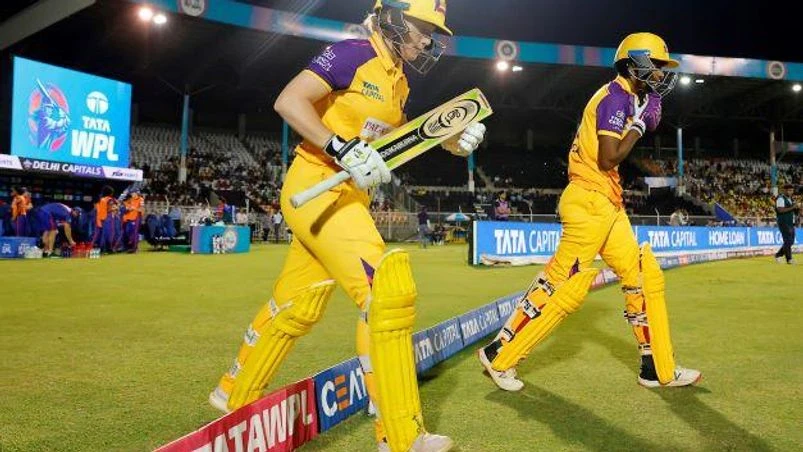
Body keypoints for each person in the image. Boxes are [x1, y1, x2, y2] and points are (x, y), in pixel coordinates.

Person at [209, 1, 486, 450]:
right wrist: (338, 146)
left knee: (299, 304)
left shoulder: (398, 81)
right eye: (421, 29)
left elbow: (387, 147)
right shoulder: (353, 54)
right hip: (317, 184)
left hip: (349, 195)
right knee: (386, 295)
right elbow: (289, 100)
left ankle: (233, 394)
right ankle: (398, 436)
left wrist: (449, 138)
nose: (427, 41)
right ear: (393, 18)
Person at [478, 32, 700, 392]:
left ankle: (654, 366)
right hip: (589, 201)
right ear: (634, 63)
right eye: (656, 66)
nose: (660, 75)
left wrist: (638, 119)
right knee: (560, 282)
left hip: (606, 203)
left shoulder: (626, 98)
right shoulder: (614, 98)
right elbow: (608, 157)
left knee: (638, 277)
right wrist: (639, 126)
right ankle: (500, 351)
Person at [774, 184, 798, 264]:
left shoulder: (790, 199)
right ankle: (789, 259)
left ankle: (778, 255)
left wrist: (796, 208)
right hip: (783, 222)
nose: (791, 192)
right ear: (784, 190)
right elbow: (780, 210)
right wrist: (793, 207)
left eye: (792, 190)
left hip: (790, 222)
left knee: (790, 241)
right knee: (788, 240)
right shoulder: (780, 199)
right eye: (789, 190)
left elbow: (793, 211)